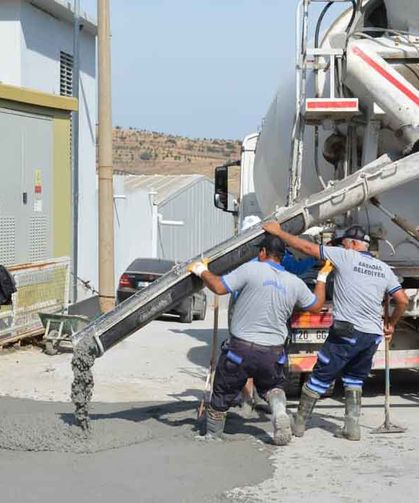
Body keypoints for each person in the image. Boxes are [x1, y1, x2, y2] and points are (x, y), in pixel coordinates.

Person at [263, 222, 409, 441]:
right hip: (371, 335)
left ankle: (299, 423)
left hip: (346, 329)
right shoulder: (383, 268)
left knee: (321, 375)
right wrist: (392, 324)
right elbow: (402, 300)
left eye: (344, 243)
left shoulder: (345, 256)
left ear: (351, 244)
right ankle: (352, 427)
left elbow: (309, 249)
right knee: (354, 378)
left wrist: (279, 233)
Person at [188, 234, 331, 445]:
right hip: (273, 353)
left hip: (240, 351)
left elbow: (218, 287)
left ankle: (213, 435)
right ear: (282, 257)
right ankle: (280, 410)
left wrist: (201, 270)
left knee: (223, 391)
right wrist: (322, 277)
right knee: (273, 387)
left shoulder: (251, 269)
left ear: (262, 252)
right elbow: (317, 305)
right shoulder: (295, 282)